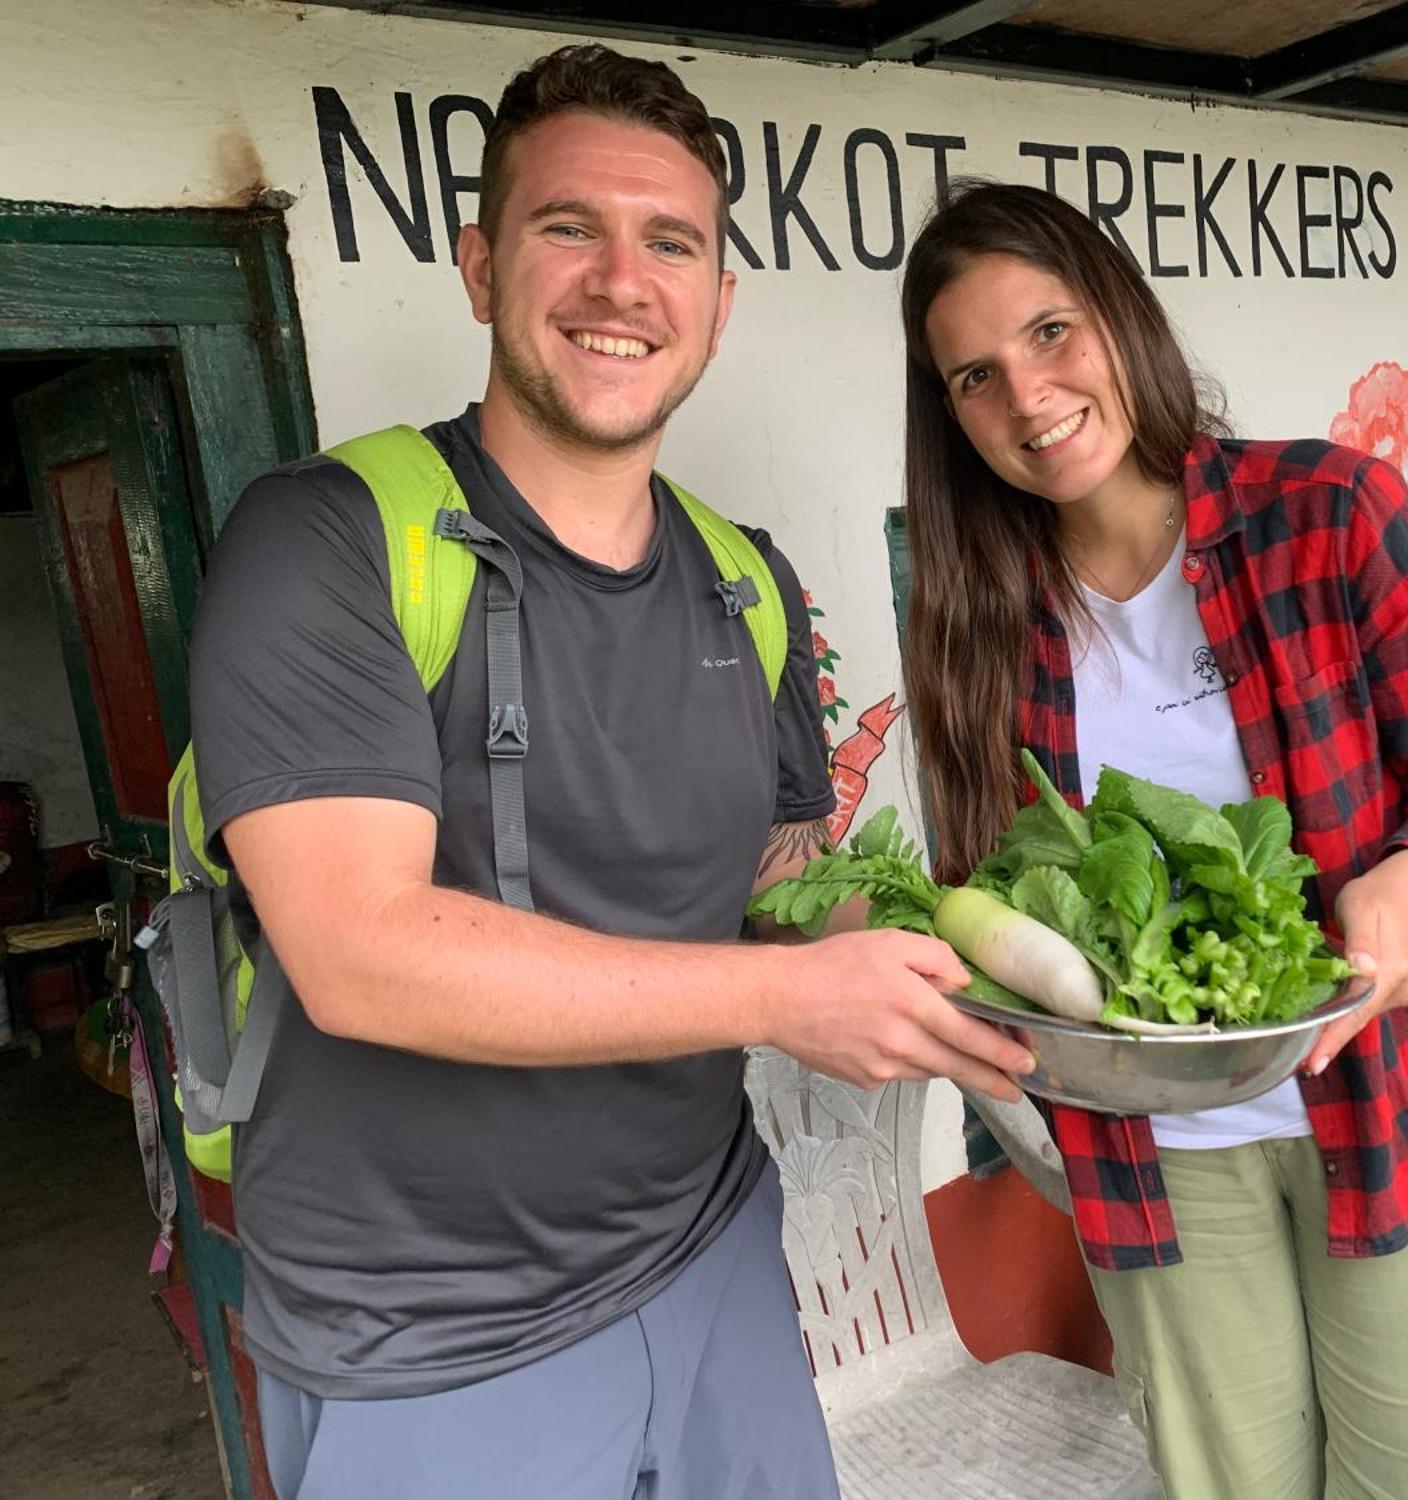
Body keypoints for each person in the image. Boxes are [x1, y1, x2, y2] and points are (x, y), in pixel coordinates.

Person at [186, 46, 1032, 1499]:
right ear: (477, 265)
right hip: (431, 1335)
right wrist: (785, 999)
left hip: (713, 1261)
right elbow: (358, 955)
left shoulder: (740, 583)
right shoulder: (329, 540)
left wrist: (923, 947)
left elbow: (772, 876)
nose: (620, 282)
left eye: (671, 243)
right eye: (568, 227)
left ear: (716, 301)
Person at [899, 180, 1408, 1500]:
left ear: (1122, 321)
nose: (1025, 399)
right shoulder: (976, 619)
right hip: (1155, 1164)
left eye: (1050, 333)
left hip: (1383, 1108)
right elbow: (997, 896)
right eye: (974, 376)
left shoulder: (1329, 517)